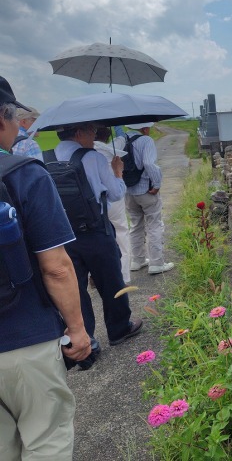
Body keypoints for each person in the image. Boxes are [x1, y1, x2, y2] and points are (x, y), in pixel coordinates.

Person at [0, 75, 91, 459]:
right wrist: (78, 329)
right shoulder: (23, 173)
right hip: (25, 338)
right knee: (46, 439)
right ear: (2, 118)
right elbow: (56, 267)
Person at [53, 122, 142, 362]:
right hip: (95, 231)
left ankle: (87, 342)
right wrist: (117, 172)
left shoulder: (47, 157)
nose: (94, 136)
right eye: (91, 131)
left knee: (75, 289)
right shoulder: (92, 157)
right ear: (78, 132)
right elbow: (115, 193)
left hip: (64, 234)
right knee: (111, 281)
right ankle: (119, 328)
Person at [124, 122, 174, 275]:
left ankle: (137, 260)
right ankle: (156, 263)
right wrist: (157, 184)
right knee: (154, 225)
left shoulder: (119, 140)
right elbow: (148, 163)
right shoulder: (146, 140)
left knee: (135, 225)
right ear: (145, 128)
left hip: (128, 191)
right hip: (146, 190)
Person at [93, 126, 131, 284]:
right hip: (115, 199)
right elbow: (122, 136)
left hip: (95, 201)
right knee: (121, 232)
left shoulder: (86, 152)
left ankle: (99, 275)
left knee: (97, 237)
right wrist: (116, 124)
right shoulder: (114, 148)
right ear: (108, 136)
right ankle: (123, 275)